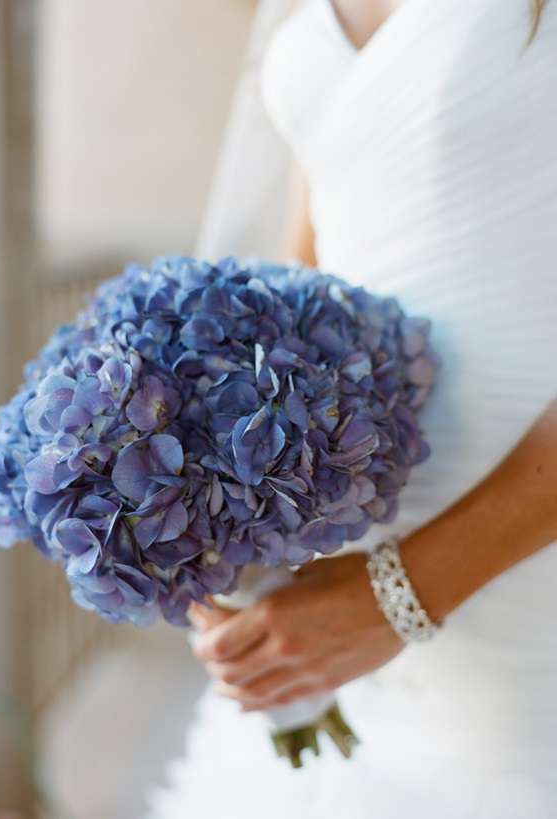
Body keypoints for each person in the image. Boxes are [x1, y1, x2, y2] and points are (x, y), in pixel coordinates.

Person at [143, 1, 557, 815]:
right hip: (338, 620)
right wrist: (232, 515)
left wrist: (396, 597)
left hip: (518, 581)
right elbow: (312, 272)